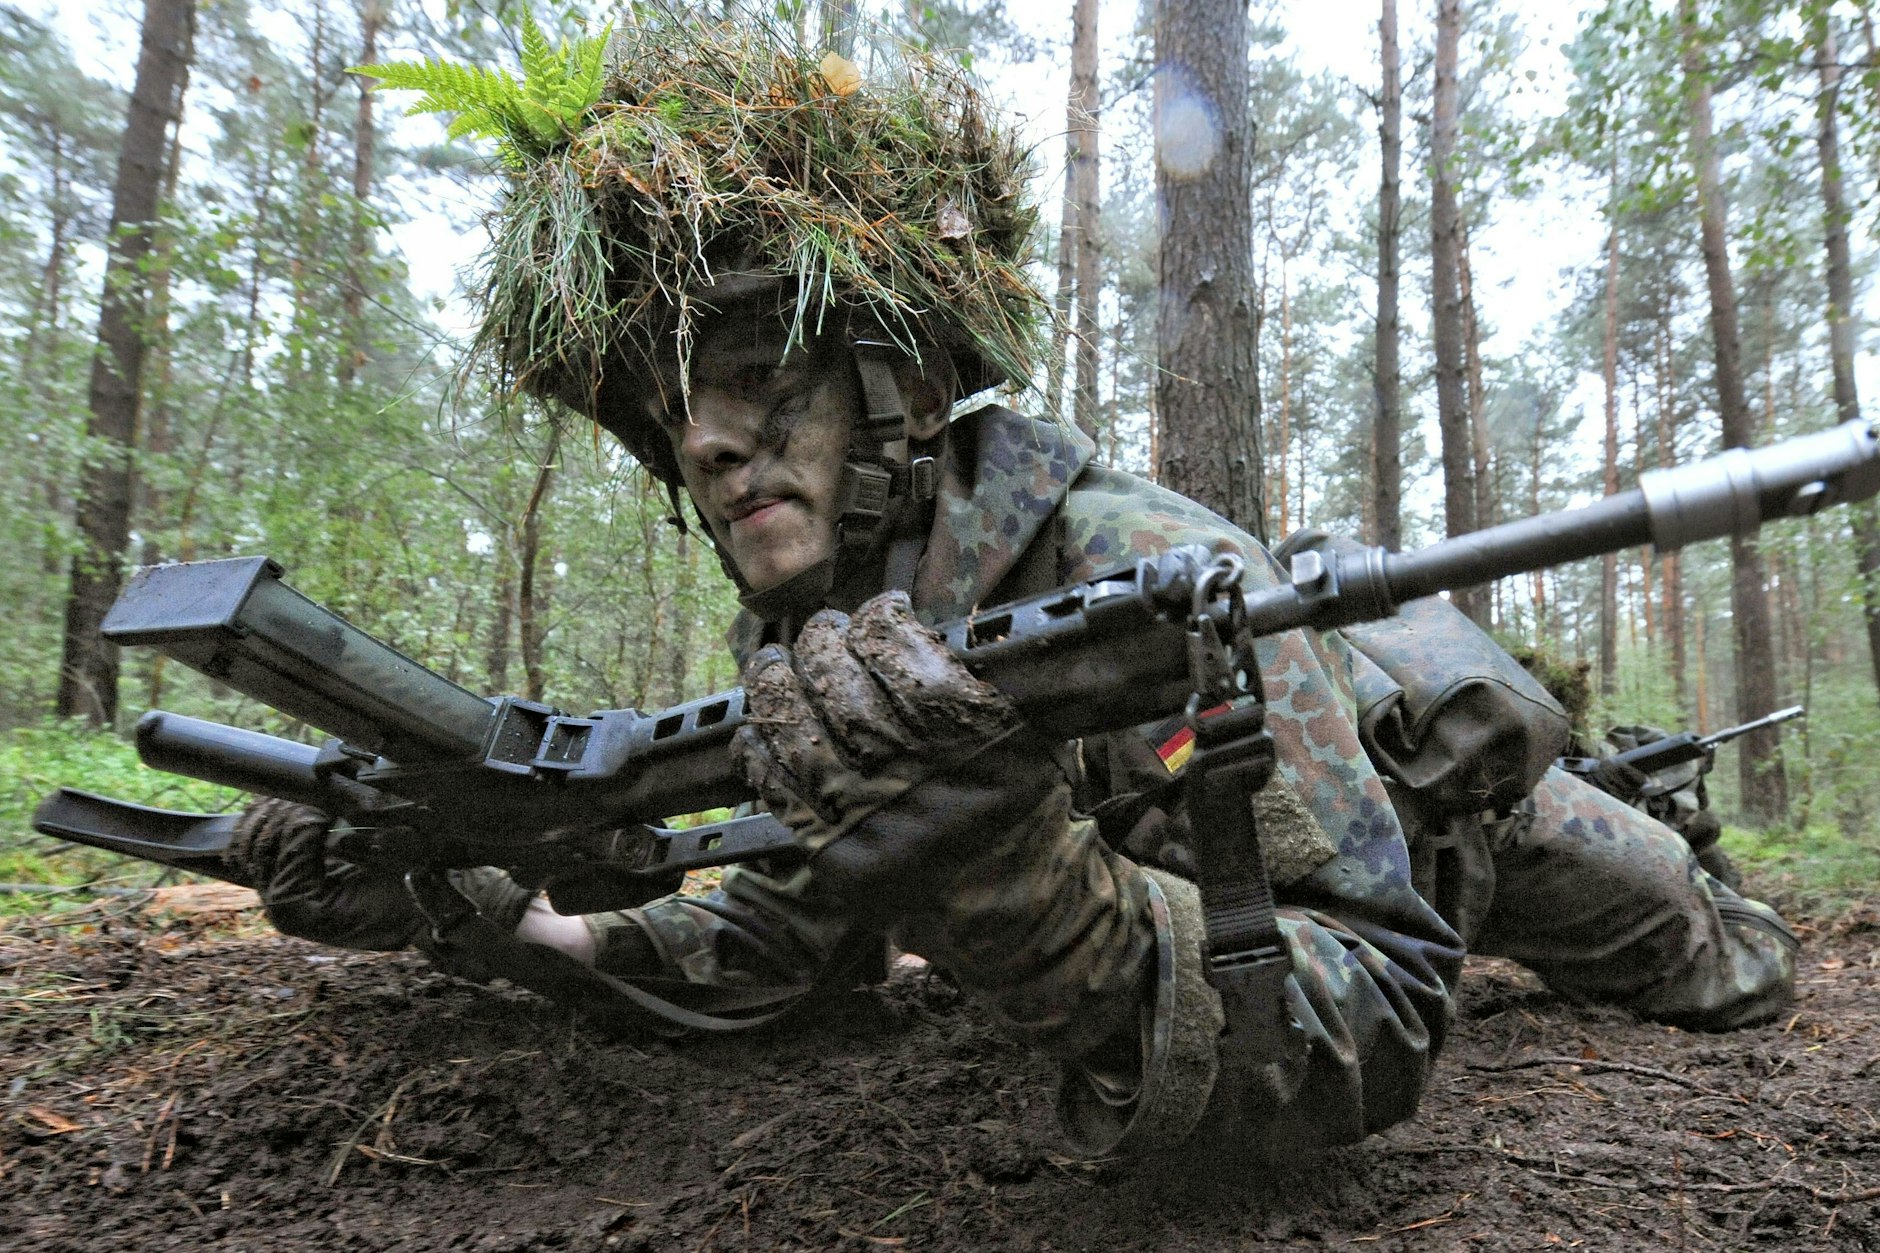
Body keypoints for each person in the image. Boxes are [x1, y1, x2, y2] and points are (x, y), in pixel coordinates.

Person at [228, 7, 1797, 1161]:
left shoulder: (1153, 565)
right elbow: (778, 948)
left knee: (1721, 962)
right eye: (675, 414)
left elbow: (1383, 1001)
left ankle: (1659, 810)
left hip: (1448, 843)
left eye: (762, 379)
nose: (710, 444)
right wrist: (498, 919)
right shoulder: (820, 629)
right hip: (1198, 890)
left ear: (896, 392)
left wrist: (1041, 899)